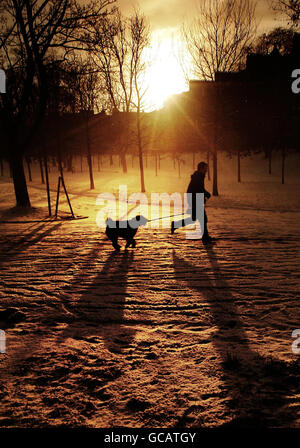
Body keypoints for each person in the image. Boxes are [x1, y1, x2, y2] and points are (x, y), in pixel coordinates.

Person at [171, 161, 213, 243]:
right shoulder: (198, 177)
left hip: (195, 200)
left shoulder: (199, 176)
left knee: (194, 218)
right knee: (203, 218)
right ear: (201, 168)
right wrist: (205, 194)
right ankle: (205, 236)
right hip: (195, 200)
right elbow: (198, 189)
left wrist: (205, 194)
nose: (207, 170)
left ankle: (175, 225)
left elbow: (199, 189)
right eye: (205, 168)